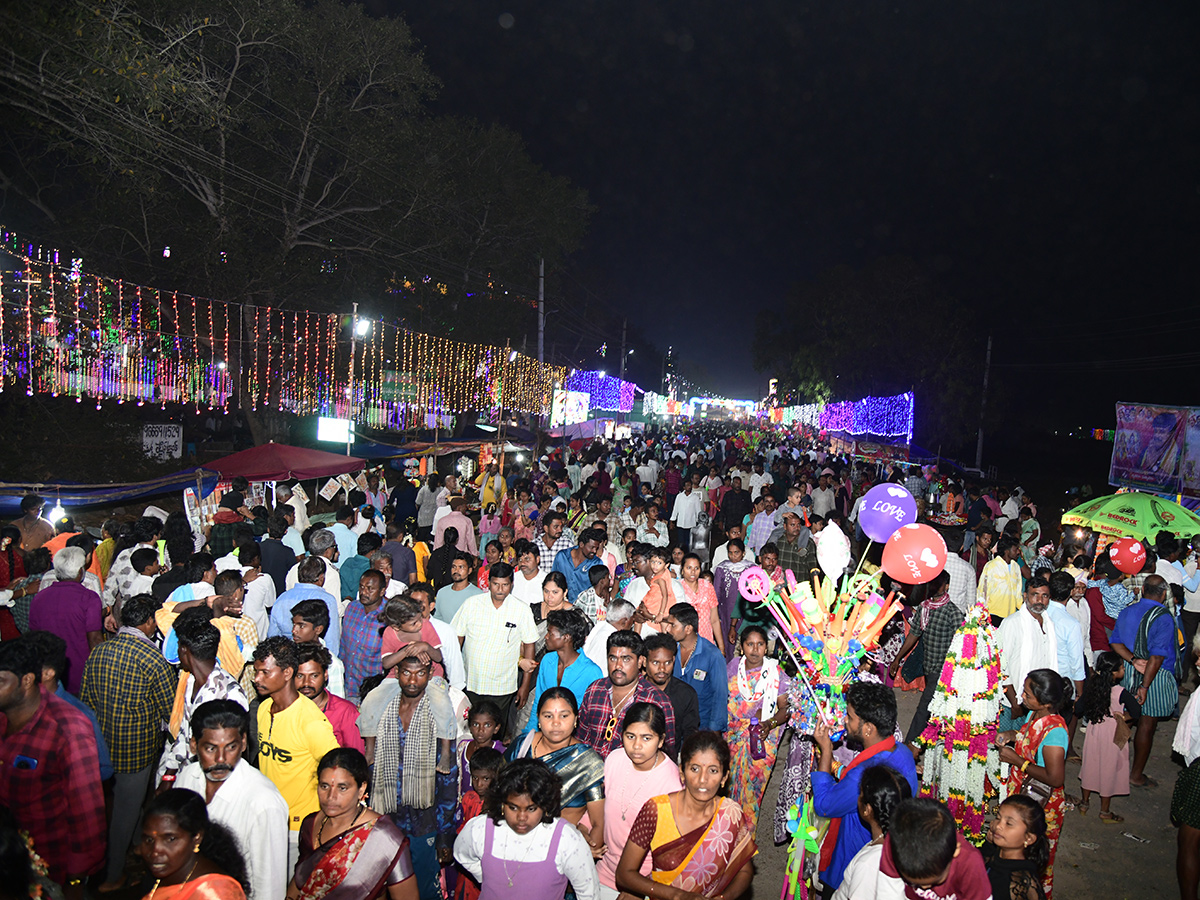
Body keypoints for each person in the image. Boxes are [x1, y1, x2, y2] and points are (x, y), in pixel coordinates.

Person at [80, 594, 177, 891]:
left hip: (101, 744)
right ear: (148, 623)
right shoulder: (153, 659)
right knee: (124, 811)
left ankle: (136, 845)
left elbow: (86, 700)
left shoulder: (99, 652)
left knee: (122, 806)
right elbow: (169, 708)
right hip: (136, 749)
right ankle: (111, 876)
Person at [0, 636, 106, 889]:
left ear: (26, 680)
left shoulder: (67, 728)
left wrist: (76, 880)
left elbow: (86, 811)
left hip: (48, 864)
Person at [615, 731, 756, 899]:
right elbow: (624, 874)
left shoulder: (730, 814)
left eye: (713, 770)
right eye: (694, 769)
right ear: (682, 772)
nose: (702, 779)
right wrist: (677, 896)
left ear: (724, 777)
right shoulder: (657, 810)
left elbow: (745, 870)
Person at [175, 699, 289, 900]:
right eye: (210, 749)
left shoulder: (263, 802)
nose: (221, 759)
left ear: (244, 743)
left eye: (230, 747)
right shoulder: (187, 777)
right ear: (194, 745)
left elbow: (269, 886)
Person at [813, 680, 918, 893]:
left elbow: (824, 805)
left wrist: (825, 751)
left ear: (868, 728)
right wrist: (837, 768)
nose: (845, 721)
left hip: (850, 866)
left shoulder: (866, 774)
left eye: (850, 717)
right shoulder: (902, 752)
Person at [370, 654, 458, 898]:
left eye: (420, 673)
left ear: (430, 675)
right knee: (385, 887)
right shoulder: (383, 709)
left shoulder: (440, 715)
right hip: (387, 817)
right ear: (397, 673)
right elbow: (371, 767)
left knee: (424, 890)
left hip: (425, 821)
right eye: (407, 672)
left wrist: (444, 834)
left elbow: (448, 781)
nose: (412, 680)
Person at [453, 757, 601, 900]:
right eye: (513, 807)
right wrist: (486, 876)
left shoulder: (566, 839)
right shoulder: (481, 828)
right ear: (502, 804)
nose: (521, 817)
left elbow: (588, 892)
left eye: (531, 809)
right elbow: (461, 854)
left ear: (544, 805)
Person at [251, 636, 340, 873]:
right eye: (256, 672)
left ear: (288, 673)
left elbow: (337, 770)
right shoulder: (263, 708)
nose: (256, 679)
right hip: (268, 817)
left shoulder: (310, 721)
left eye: (264, 673)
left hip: (298, 826)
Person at [289, 748, 418, 900]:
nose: (331, 797)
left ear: (361, 788)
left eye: (342, 788)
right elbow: (299, 884)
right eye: (324, 786)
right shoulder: (310, 825)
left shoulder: (384, 838)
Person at [997, 669, 1071, 898]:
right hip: (1025, 797)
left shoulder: (1056, 732)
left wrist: (1017, 761)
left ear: (1045, 702)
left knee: (1035, 862)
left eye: (1027, 694)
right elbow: (1028, 736)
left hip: (1042, 805)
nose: (1022, 697)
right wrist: (1011, 735)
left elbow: (1055, 778)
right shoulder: (1036, 716)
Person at [595, 703, 681, 900]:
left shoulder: (671, 783)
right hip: (604, 869)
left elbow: (671, 852)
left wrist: (639, 887)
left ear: (661, 741)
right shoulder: (614, 760)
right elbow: (602, 807)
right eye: (630, 736)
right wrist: (584, 829)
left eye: (647, 738)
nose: (636, 746)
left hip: (646, 880)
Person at [505, 688, 606, 855]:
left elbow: (598, 824)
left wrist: (583, 852)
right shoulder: (522, 746)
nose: (556, 723)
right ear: (538, 719)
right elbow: (498, 794)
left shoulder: (587, 763)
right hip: (514, 843)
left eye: (564, 716)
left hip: (560, 852)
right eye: (548, 716)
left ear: (576, 719)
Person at [158, 607, 249, 785]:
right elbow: (184, 735)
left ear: (184, 650)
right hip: (186, 776)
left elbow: (235, 751)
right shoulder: (191, 681)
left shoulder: (229, 694)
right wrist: (169, 776)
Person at [1109, 573, 1179, 789]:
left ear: (1143, 590)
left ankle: (1108, 765)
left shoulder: (1128, 610)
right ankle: (1136, 774)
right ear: (1164, 593)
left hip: (1128, 670)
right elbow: (1156, 657)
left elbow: (1116, 643)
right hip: (1153, 675)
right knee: (1147, 724)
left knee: (1123, 718)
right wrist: (1145, 686)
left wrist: (1132, 660)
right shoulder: (1163, 616)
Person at [453, 562, 537, 733]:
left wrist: (525, 686)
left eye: (505, 585)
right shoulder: (471, 604)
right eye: (496, 584)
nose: (500, 589)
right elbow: (457, 639)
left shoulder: (521, 610)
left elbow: (530, 645)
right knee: (469, 730)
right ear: (489, 583)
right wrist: (454, 676)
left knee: (494, 732)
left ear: (511, 585)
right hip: (471, 682)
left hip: (502, 687)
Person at [24, 629, 114, 782]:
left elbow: (103, 769)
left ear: (48, 673)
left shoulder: (79, 716)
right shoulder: (18, 705)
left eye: (26, 666)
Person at [726, 624, 791, 832]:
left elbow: (786, 709)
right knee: (729, 787)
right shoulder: (733, 666)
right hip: (732, 737)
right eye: (750, 644)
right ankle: (728, 831)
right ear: (742, 647)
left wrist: (768, 724)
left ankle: (746, 836)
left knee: (752, 790)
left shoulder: (775, 672)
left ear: (767, 647)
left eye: (760, 644)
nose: (755, 649)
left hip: (762, 739)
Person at [889, 571, 964, 748]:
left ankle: (910, 746)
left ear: (947, 586)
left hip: (944, 671)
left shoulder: (953, 613)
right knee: (936, 709)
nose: (936, 587)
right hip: (930, 668)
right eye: (933, 583)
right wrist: (897, 659)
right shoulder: (925, 607)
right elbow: (914, 634)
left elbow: (963, 645)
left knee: (924, 709)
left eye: (940, 584)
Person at [576, 630, 677, 759]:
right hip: (592, 774)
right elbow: (580, 739)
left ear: (640, 661)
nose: (618, 666)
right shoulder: (595, 690)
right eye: (613, 658)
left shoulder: (656, 701)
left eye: (626, 659)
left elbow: (666, 753)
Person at [137, 788, 249, 899]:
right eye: (149, 840)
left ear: (197, 837)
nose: (155, 852)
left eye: (170, 839)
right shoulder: (161, 874)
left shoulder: (214, 893)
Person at [879, 798, 991, 900]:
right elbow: (888, 893)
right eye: (912, 883)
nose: (924, 888)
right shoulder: (896, 842)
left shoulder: (970, 863)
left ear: (955, 851)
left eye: (936, 881)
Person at [26, 546, 103, 694]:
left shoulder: (39, 598)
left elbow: (34, 637)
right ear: (81, 571)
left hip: (50, 672)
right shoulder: (89, 598)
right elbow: (94, 639)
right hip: (82, 671)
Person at [832, 765, 911, 900]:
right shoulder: (902, 842)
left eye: (861, 794)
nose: (859, 798)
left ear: (867, 810)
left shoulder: (870, 865)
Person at [1077, 651, 1138, 822]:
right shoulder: (1121, 692)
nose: (1124, 671)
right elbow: (1137, 712)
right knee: (1109, 769)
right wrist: (1122, 716)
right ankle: (1105, 811)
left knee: (1090, 764)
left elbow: (1080, 708)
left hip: (1094, 729)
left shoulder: (1092, 686)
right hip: (1112, 732)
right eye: (1121, 668)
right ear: (1114, 673)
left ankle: (1084, 803)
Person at [996, 576, 1058, 732]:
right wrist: (1015, 703)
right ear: (1025, 596)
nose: (1040, 600)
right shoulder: (1013, 623)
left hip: (1039, 703)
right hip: (1013, 703)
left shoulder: (1048, 623)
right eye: (1034, 594)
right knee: (1007, 750)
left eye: (1045, 596)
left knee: (1030, 749)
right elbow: (1000, 665)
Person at [526, 609, 603, 729]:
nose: (546, 637)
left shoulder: (592, 672)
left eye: (550, 633)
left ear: (566, 637)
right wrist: (530, 733)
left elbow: (594, 716)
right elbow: (538, 701)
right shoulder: (547, 661)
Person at [663, 603, 728, 733]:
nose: (668, 629)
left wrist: (714, 732)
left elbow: (720, 695)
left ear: (688, 629)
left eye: (673, 625)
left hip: (701, 728)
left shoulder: (712, 655)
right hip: (673, 726)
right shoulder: (669, 650)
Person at [296, 640, 365, 753]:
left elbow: (355, 760)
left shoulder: (345, 712)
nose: (306, 683)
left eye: (314, 676)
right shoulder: (288, 708)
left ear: (325, 675)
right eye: (300, 676)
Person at [981, 795, 1049, 900]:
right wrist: (989, 844)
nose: (998, 825)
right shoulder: (994, 851)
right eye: (998, 818)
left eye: (1009, 823)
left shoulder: (1020, 882)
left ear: (1028, 838)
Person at [643, 633, 701, 752]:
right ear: (644, 662)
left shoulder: (686, 694)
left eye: (667, 663)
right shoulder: (635, 691)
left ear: (674, 660)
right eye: (655, 663)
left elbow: (690, 735)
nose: (662, 669)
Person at [341, 569, 387, 706]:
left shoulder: (388, 617)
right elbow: (343, 646)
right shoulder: (352, 609)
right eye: (361, 587)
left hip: (372, 693)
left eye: (370, 589)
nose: (363, 592)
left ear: (382, 591)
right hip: (348, 688)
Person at [713, 538, 753, 662]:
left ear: (743, 553)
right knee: (727, 638)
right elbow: (716, 592)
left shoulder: (751, 568)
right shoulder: (722, 568)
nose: (733, 556)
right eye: (730, 552)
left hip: (746, 611)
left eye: (736, 552)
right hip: (726, 611)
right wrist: (717, 613)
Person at [457, 701, 506, 797]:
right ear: (470, 726)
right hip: (465, 804)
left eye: (487, 725)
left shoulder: (501, 752)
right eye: (475, 724)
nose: (480, 730)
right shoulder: (463, 747)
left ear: (496, 728)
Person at [678, 552, 723, 654]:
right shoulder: (677, 587)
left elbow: (715, 620)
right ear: (682, 570)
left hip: (706, 641)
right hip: (684, 643)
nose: (693, 572)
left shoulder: (707, 587)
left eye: (696, 568)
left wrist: (721, 647)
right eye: (689, 568)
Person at [552, 528, 606, 603]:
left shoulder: (596, 563)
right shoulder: (562, 556)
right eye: (592, 547)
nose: (594, 551)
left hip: (585, 606)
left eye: (596, 548)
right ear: (581, 544)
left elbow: (600, 588)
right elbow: (553, 581)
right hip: (563, 604)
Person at [981, 537, 1026, 626]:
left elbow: (1018, 592)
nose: (1018, 552)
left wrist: (1022, 610)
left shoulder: (1016, 567)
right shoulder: (991, 566)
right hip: (993, 613)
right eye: (1016, 549)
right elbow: (983, 590)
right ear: (1007, 551)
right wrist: (982, 610)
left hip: (1010, 614)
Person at [583, 598, 636, 672]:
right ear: (624, 621)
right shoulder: (612, 639)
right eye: (632, 621)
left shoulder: (600, 625)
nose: (633, 624)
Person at [434, 552, 484, 624]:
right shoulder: (442, 592)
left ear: (469, 570)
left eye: (461, 567)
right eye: (454, 567)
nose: (456, 571)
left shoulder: (478, 595)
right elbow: (437, 620)